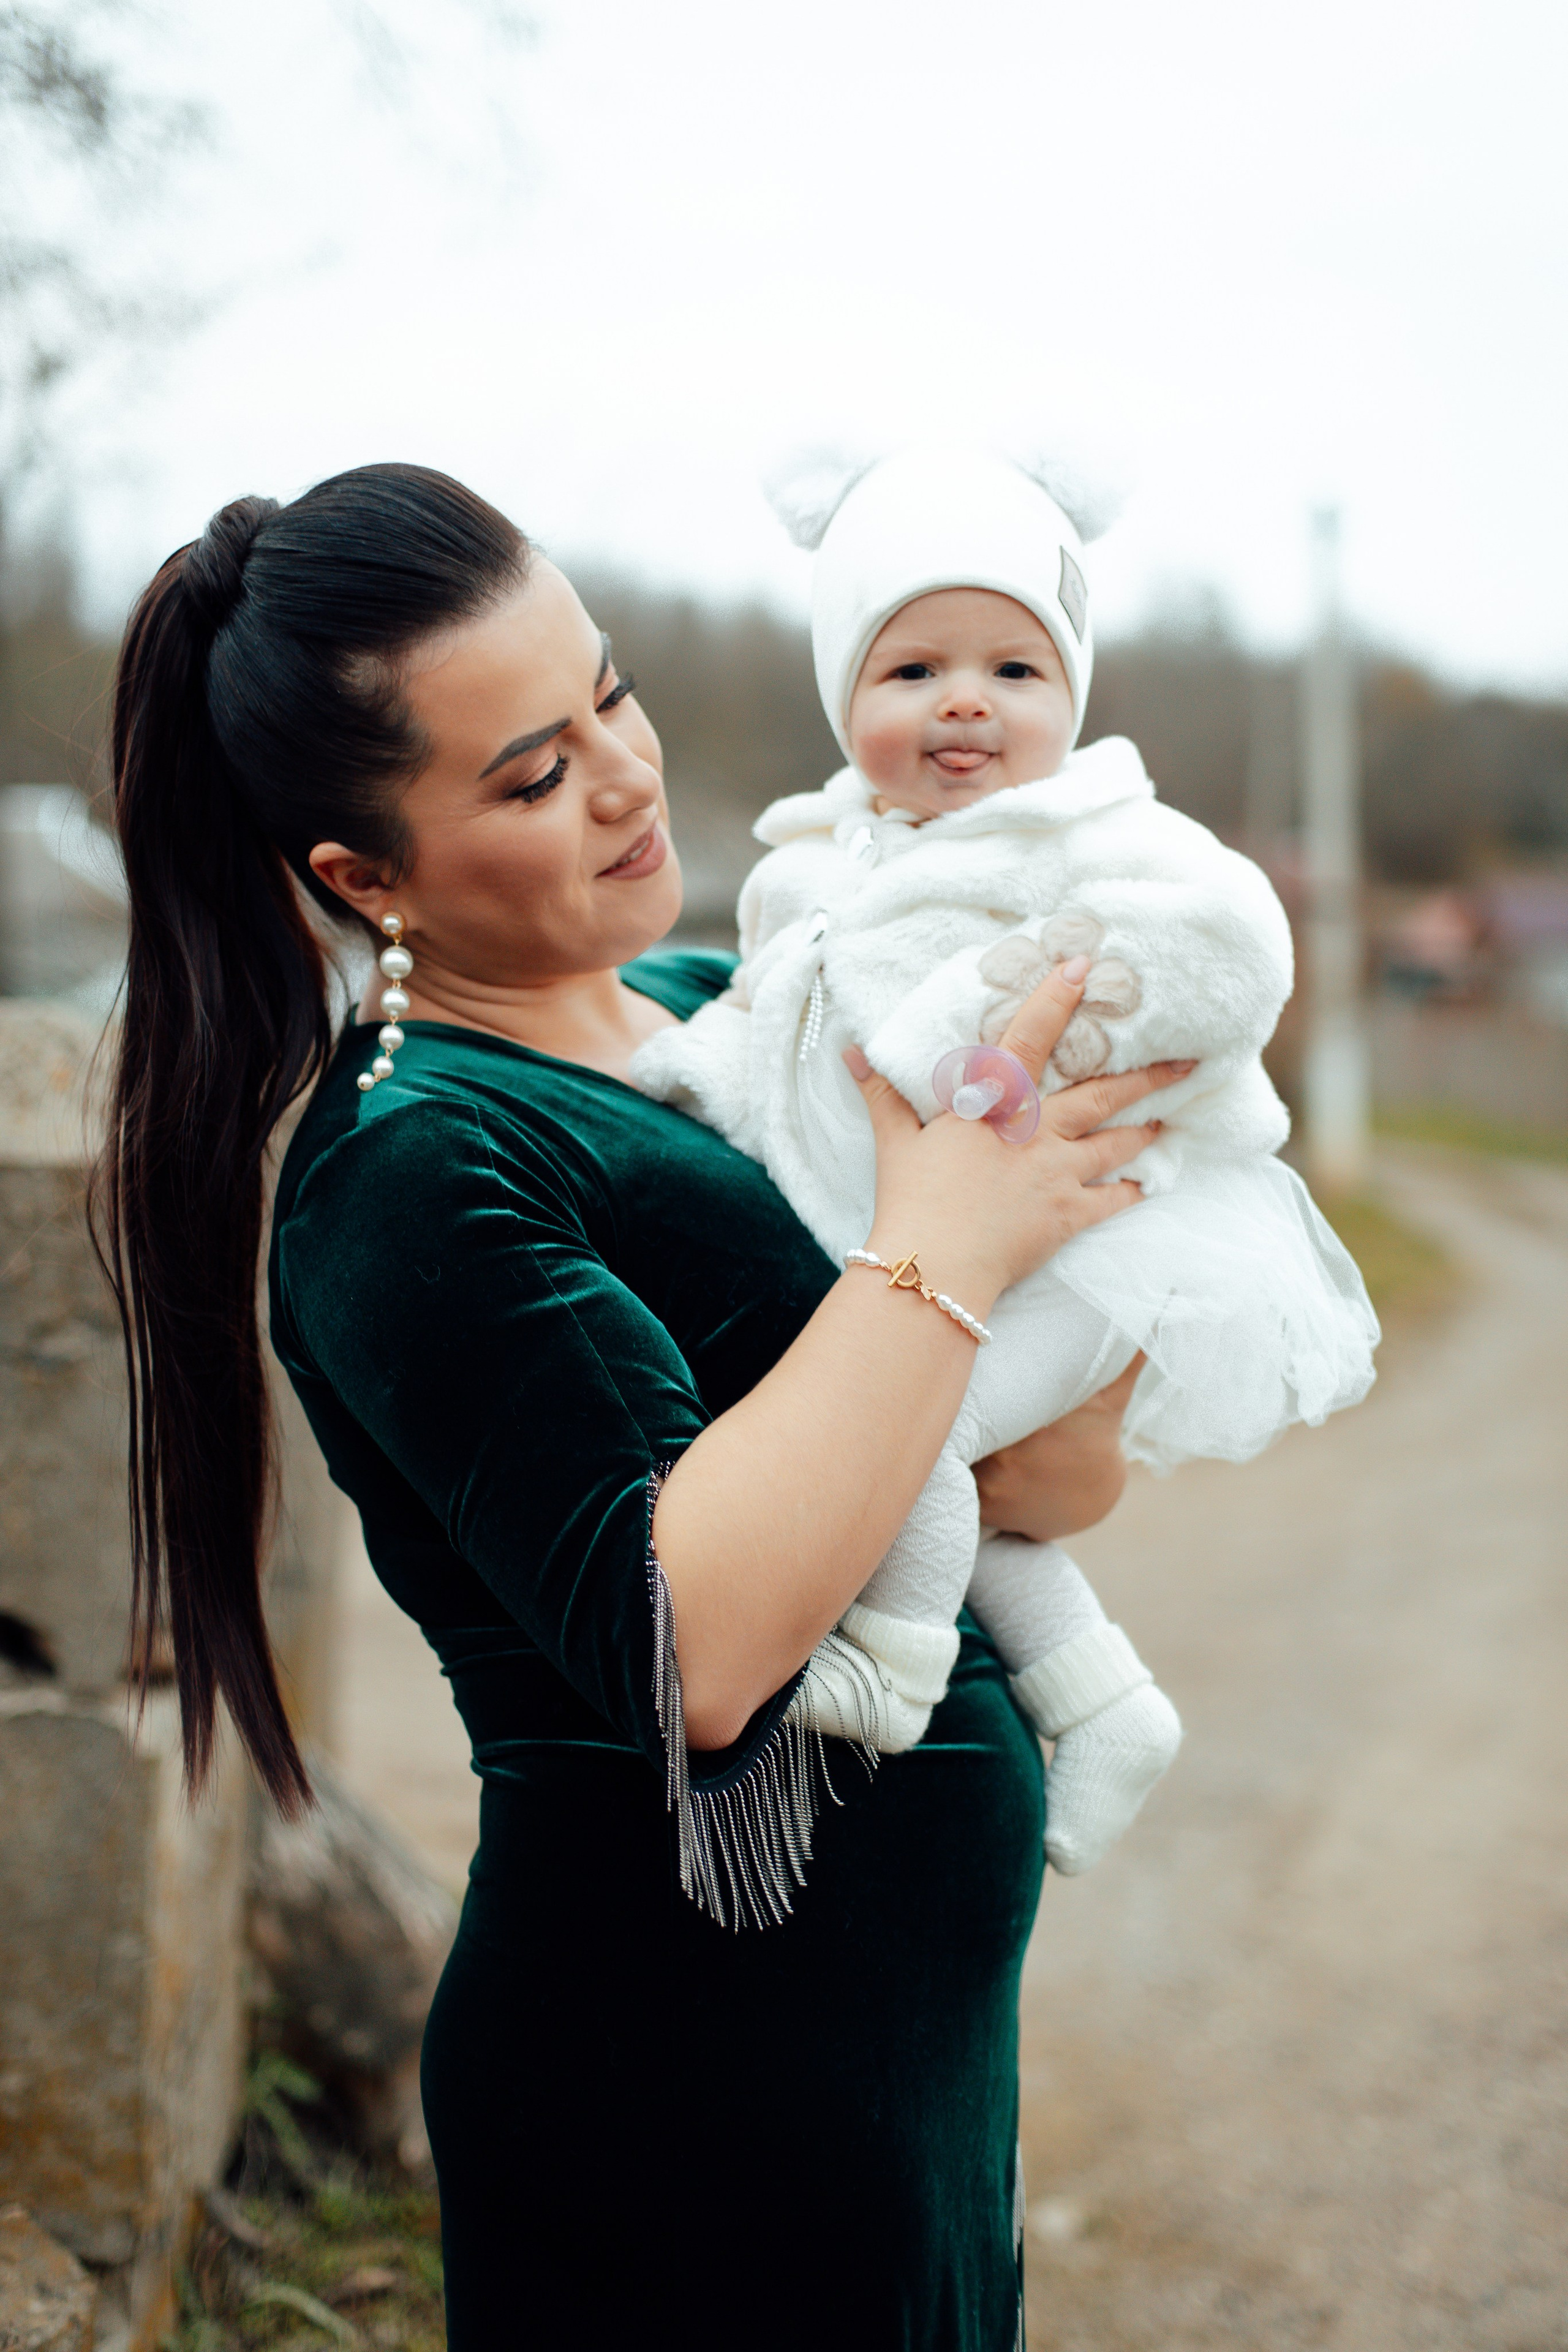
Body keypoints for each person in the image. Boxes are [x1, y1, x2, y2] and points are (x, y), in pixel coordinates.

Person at [95, 461, 1191, 2352]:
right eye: (529, 774)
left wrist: (1042, 1279)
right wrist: (943, 1238)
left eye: (607, 690)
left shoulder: (729, 1005)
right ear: (361, 878)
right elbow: (698, 1642)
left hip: (899, 2083)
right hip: (688, 2104)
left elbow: (1045, 1472)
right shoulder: (413, 1166)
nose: (623, 774)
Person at [633, 441, 1380, 1875]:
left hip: (1103, 1234)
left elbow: (1225, 958)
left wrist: (972, 1026)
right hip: (954, 1237)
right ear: (840, 697)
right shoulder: (809, 872)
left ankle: (897, 1668)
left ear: (1070, 696)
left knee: (907, 1423)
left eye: (1013, 670)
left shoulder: (1103, 844)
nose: (963, 700)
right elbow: (778, 1036)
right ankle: (1102, 1704)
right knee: (938, 1436)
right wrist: (690, 1070)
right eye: (909, 670)